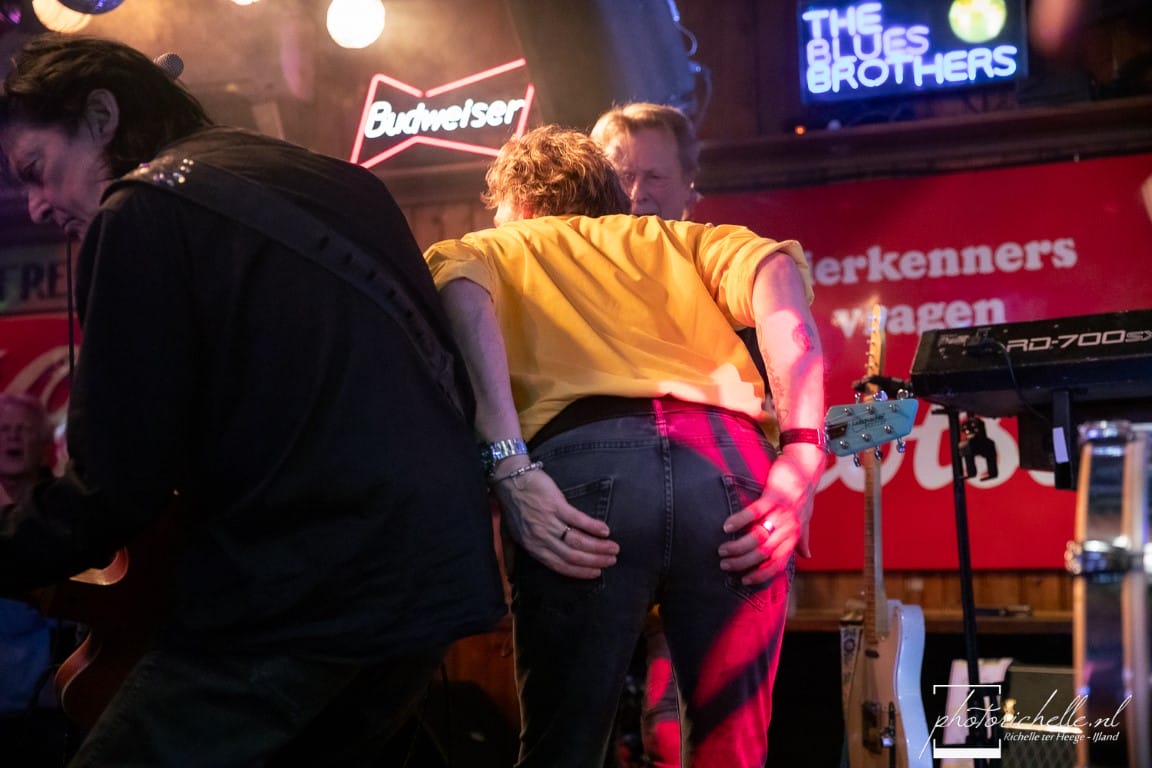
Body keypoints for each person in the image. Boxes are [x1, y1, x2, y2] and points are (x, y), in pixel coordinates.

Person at [0, 34, 504, 766]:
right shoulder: (344, 182)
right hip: (436, 576)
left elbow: (116, 486)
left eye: (36, 170)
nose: (37, 206)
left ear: (102, 116)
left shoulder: (137, 212)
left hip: (308, 590)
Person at [424, 125, 826, 768]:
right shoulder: (685, 240)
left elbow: (460, 299)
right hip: (727, 470)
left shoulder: (486, 247)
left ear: (519, 205)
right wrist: (803, 451)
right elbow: (777, 275)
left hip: (583, 475)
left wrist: (509, 463)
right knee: (733, 752)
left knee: (563, 748)